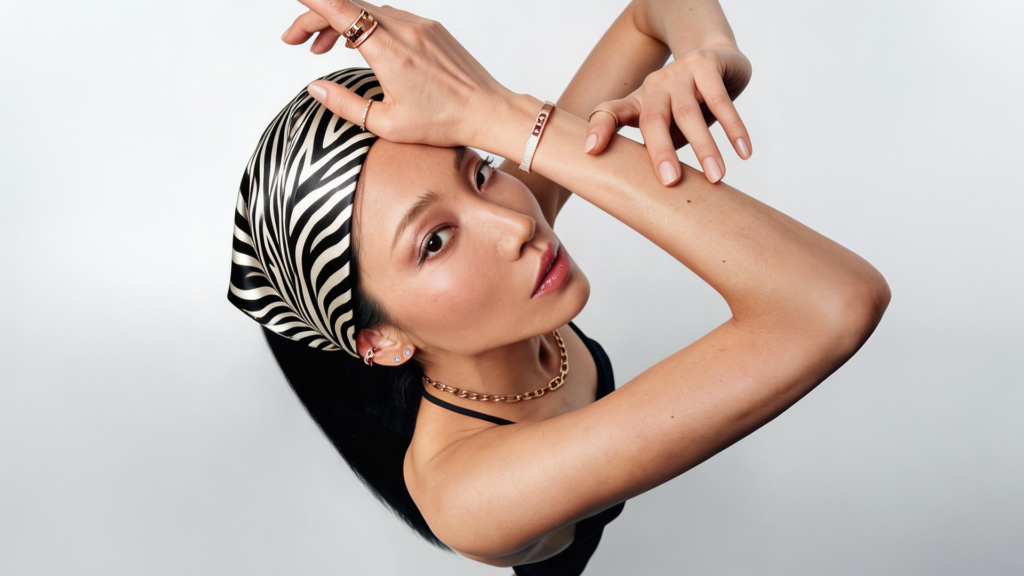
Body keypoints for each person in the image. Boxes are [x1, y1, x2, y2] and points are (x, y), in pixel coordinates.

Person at [227, 1, 892, 574]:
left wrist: (710, 54)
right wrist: (501, 113)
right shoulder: (466, 495)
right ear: (381, 340)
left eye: (480, 168)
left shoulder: (505, 257)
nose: (517, 223)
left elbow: (652, 11)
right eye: (433, 241)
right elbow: (831, 303)